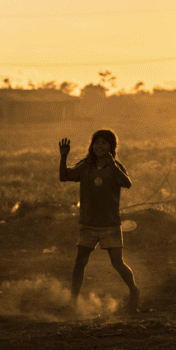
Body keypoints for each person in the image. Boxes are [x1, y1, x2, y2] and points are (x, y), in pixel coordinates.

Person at [58, 130, 140, 313]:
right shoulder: (86, 166)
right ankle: (73, 301)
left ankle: (134, 291)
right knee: (80, 262)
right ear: (92, 146)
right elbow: (64, 176)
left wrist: (112, 163)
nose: (100, 146)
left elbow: (127, 183)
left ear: (112, 147)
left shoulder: (116, 167)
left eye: (104, 143)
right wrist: (63, 157)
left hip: (110, 225)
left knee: (117, 262)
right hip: (88, 224)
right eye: (97, 143)